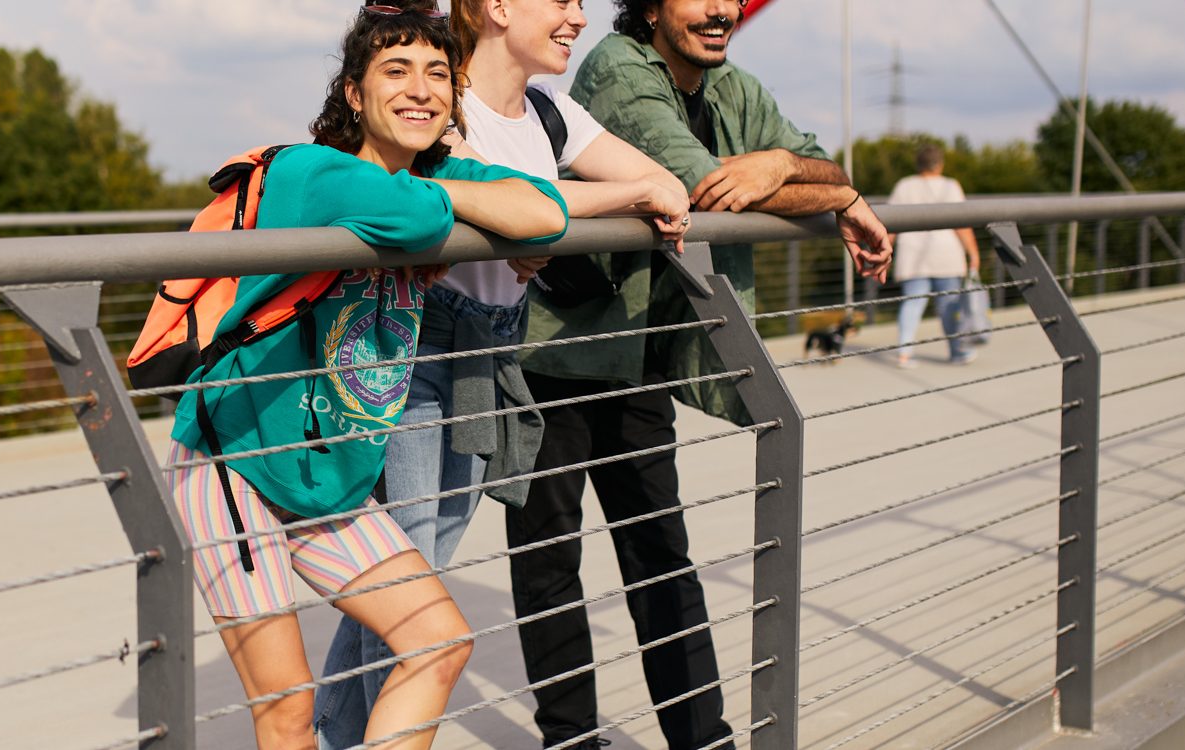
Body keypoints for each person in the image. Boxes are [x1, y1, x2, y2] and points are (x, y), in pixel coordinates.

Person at [167, 3, 568, 748]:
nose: (420, 90)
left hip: (329, 477)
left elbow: (544, 210)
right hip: (239, 463)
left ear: (454, 99)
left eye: (438, 75)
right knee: (286, 712)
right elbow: (412, 221)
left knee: (439, 642)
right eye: (396, 71)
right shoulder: (310, 171)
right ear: (354, 93)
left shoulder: (433, 174)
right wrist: (463, 214)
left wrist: (459, 202)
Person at [502, 1, 895, 748]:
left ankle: (701, 738)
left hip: (641, 356)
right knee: (550, 558)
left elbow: (819, 165)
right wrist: (828, 189)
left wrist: (791, 168)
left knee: (661, 555)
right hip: (556, 353)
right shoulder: (619, 70)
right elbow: (699, 187)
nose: (719, 8)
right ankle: (571, 738)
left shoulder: (733, 88)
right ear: (650, 6)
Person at [314, 1, 694, 748]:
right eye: (560, 0)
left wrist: (537, 221)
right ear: (497, 7)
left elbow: (661, 183)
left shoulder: (549, 112)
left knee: (419, 563)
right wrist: (526, 220)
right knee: (409, 572)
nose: (578, 17)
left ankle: (337, 730)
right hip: (425, 337)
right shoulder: (440, 101)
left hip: (490, 345)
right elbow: (447, 190)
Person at [888, 144, 982, 367]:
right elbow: (962, 224)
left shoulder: (904, 185)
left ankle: (905, 353)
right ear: (940, 164)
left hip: (913, 256)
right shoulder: (951, 186)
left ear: (918, 164)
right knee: (949, 306)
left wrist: (885, 250)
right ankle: (958, 351)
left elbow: (890, 222)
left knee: (912, 304)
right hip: (945, 255)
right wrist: (973, 253)